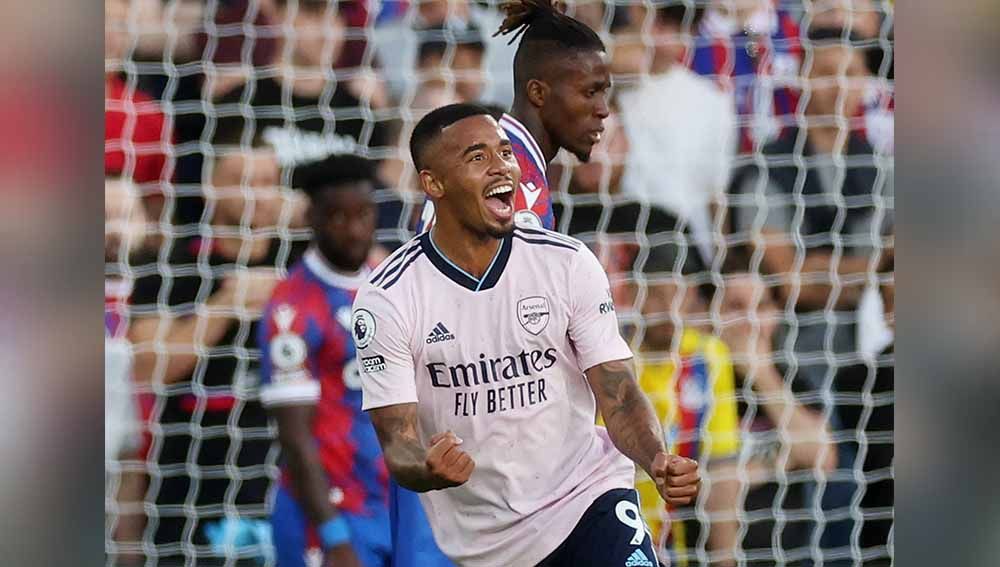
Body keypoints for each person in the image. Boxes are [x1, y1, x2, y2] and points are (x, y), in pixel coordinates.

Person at [352, 103, 700, 567]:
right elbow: (398, 441)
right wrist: (427, 468)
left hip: (588, 498)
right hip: (487, 544)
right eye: (477, 158)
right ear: (433, 184)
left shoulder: (567, 263)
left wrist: (654, 457)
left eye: (504, 152)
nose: (502, 167)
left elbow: (617, 393)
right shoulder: (388, 299)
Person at [127, 127, 302, 565]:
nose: (258, 194)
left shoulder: (305, 262)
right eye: (244, 180)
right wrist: (226, 305)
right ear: (211, 186)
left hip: (286, 464)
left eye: (268, 182)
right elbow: (148, 369)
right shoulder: (173, 265)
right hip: (192, 471)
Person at [257, 154, 390, 567]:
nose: (354, 230)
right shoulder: (291, 308)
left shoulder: (390, 286)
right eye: (338, 217)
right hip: (330, 516)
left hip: (392, 504)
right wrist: (334, 536)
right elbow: (296, 438)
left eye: (364, 214)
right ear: (312, 217)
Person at [418, 0, 611, 232]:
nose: (603, 109)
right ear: (538, 93)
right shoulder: (509, 175)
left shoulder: (500, 156)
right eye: (590, 92)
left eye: (603, 93)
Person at [613, 1, 736, 266]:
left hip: (688, 259)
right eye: (659, 22)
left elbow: (717, 198)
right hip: (619, 249)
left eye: (678, 26)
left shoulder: (712, 102)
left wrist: (720, 267)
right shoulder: (601, 84)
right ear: (637, 12)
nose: (664, 38)